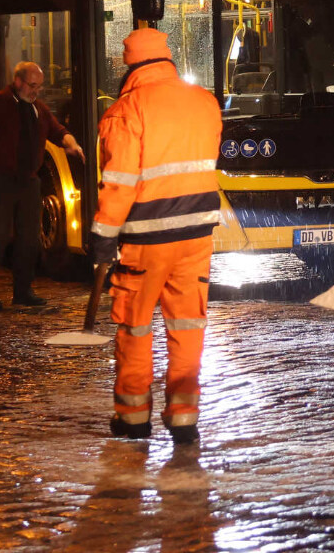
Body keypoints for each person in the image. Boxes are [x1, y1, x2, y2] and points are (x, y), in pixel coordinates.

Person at [92, 28, 222, 445]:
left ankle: (133, 419)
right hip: (197, 235)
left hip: (145, 240)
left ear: (129, 63)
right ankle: (184, 417)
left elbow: (119, 182)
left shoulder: (127, 109)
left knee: (135, 326)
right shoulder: (204, 102)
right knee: (187, 325)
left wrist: (101, 237)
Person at [0, 61, 85, 311]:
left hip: (28, 180)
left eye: (39, 87)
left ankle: (23, 291)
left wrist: (72, 143)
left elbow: (57, 131)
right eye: (32, 86)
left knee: (28, 239)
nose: (36, 91)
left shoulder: (37, 108)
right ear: (19, 81)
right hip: (4, 179)